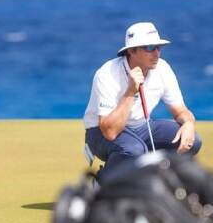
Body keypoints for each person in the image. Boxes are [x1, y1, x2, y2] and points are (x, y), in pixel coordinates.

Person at [83, 22, 202, 178]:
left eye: (159, 47)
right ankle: (103, 181)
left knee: (193, 141)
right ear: (132, 51)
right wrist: (131, 91)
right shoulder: (107, 74)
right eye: (150, 47)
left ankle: (163, 181)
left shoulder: (163, 68)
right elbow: (110, 132)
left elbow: (180, 111)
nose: (157, 53)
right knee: (134, 150)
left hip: (141, 128)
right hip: (99, 133)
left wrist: (188, 123)